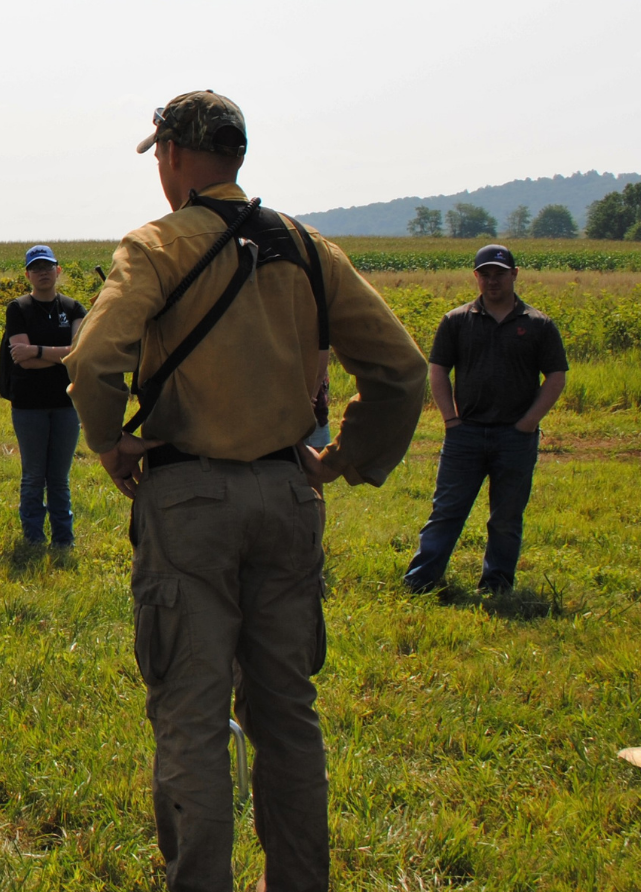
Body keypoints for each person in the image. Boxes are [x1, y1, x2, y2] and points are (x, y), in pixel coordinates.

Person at [66, 91, 427, 891]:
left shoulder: (156, 243)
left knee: (192, 717)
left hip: (187, 502)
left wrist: (109, 444)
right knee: (287, 717)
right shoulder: (306, 248)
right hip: (289, 496)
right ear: (236, 154)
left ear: (174, 156)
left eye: (159, 155)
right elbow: (401, 372)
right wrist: (341, 459)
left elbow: (93, 362)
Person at [403, 244, 568, 595]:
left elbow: (556, 376)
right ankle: (420, 582)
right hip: (466, 434)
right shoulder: (457, 321)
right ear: (476, 277)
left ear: (514, 274)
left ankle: (497, 586)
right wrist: (450, 420)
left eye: (500, 273)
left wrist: (528, 423)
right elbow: (437, 371)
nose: (493, 281)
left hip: (516, 437)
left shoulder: (538, 325)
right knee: (447, 512)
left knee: (506, 518)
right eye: (486, 274)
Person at [0, 244, 86, 547]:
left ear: (58, 270)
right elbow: (20, 359)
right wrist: (60, 355)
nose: (43, 272)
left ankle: (64, 540)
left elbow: (79, 353)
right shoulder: (18, 308)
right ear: (28, 274)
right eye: (36, 268)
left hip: (66, 403)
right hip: (29, 404)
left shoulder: (74, 308)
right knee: (34, 475)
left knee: (60, 479)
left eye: (48, 267)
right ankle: (33, 538)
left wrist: (37, 351)